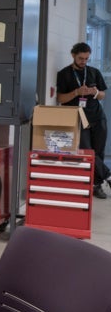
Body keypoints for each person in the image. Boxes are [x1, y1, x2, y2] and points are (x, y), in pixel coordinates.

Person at [56, 42, 110, 199]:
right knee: (88, 151)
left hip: (98, 117)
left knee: (98, 152)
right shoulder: (64, 74)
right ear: (73, 55)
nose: (84, 61)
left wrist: (95, 92)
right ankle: (108, 176)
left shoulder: (94, 72)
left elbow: (103, 95)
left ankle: (97, 185)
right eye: (81, 58)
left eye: (86, 58)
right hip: (79, 119)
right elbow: (60, 98)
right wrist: (76, 92)